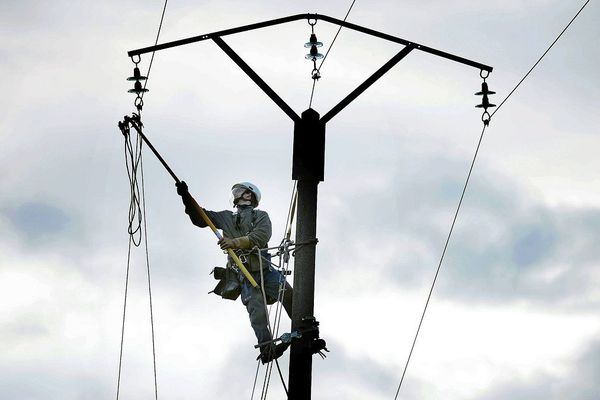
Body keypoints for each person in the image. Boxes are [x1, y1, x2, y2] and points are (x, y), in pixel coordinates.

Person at [176, 180, 293, 363]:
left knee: (287, 292)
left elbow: (261, 236)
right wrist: (186, 197)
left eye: (241, 191)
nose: (237, 194)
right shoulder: (227, 218)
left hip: (264, 270)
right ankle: (267, 348)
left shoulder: (260, 216)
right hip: (244, 275)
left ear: (248, 195)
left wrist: (234, 242)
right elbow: (201, 217)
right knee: (257, 312)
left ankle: (303, 325)